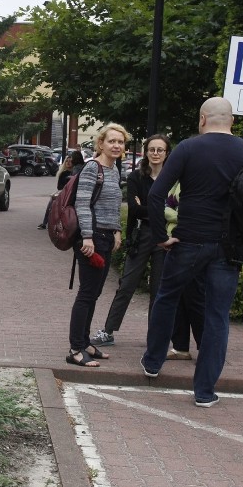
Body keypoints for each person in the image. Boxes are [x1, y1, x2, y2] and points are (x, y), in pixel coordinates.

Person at [141, 97, 243, 407]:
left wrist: (162, 237)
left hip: (188, 242)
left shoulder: (188, 148)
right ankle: (204, 392)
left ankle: (152, 361)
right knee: (217, 315)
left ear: (203, 119)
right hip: (229, 248)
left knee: (167, 296)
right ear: (231, 120)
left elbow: (155, 194)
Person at [91, 134, 171, 346]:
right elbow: (134, 210)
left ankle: (154, 337)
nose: (155, 153)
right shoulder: (136, 177)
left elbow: (175, 210)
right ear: (145, 152)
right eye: (151, 149)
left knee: (159, 289)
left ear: (166, 153)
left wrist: (149, 208)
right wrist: (161, 209)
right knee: (126, 285)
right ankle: (108, 331)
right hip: (141, 235)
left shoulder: (172, 178)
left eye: (160, 150)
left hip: (165, 237)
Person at [65, 123, 128, 368]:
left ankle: (85, 342)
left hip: (106, 237)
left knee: (95, 293)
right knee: (86, 294)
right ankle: (74, 349)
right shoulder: (93, 168)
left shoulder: (113, 170)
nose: (116, 145)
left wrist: (117, 232)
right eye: (112, 141)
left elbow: (112, 207)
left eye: (120, 142)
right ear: (100, 143)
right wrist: (88, 237)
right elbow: (82, 204)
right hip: (91, 239)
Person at [163, 183, 205, 360]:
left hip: (194, 243)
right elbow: (163, 207)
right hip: (176, 243)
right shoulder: (177, 183)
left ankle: (206, 347)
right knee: (179, 297)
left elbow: (195, 214)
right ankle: (180, 347)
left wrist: (174, 215)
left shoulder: (199, 179)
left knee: (195, 297)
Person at [38, 150, 84, 229]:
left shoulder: (75, 170)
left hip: (69, 193)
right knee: (52, 202)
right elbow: (59, 187)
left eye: (70, 161)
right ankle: (45, 222)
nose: (69, 163)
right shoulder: (64, 173)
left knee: (54, 202)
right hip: (63, 192)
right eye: (67, 161)